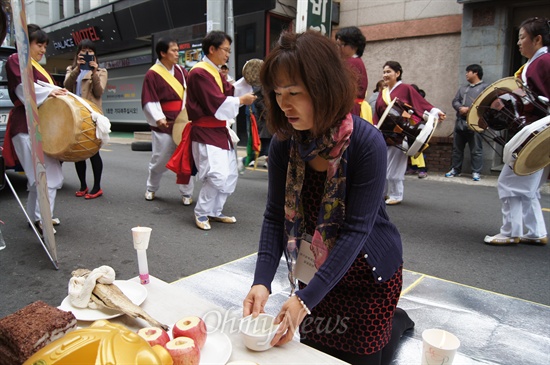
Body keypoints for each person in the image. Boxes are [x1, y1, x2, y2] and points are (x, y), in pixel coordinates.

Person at [242, 30, 414, 365]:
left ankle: (395, 322)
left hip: (366, 277)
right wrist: (262, 281)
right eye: (277, 93)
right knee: (315, 356)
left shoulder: (366, 143)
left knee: (363, 357)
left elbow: (356, 231)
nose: (283, 103)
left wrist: (305, 301)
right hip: (316, 275)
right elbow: (275, 215)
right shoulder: (284, 144)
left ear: (323, 89)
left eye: (294, 92)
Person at [484, 17, 549, 246]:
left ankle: (511, 231)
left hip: (536, 132)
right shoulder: (537, 63)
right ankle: (535, 231)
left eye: (522, 37)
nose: (519, 42)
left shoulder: (544, 62)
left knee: (509, 182)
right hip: (540, 133)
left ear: (537, 39)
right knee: (528, 186)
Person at [184, 30, 256, 230]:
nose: (227, 54)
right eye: (225, 50)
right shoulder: (199, 72)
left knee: (230, 175)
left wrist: (247, 81)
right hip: (206, 131)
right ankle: (201, 212)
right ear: (212, 48)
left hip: (219, 131)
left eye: (229, 51)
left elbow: (228, 91)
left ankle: (214, 211)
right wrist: (241, 100)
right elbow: (215, 102)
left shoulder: (213, 71)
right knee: (217, 175)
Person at [2, 24, 67, 233]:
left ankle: (36, 217)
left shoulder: (37, 67)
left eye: (45, 46)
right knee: (46, 175)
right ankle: (42, 219)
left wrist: (53, 90)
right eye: (39, 44)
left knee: (37, 177)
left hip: (37, 126)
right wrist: (51, 92)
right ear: (25, 43)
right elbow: (25, 90)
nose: (43, 50)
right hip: (26, 126)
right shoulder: (16, 60)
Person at [373, 61, 445, 205]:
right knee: (385, 165)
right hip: (385, 133)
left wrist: (435, 112)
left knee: (395, 166)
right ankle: (386, 193)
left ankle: (396, 194)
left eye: (389, 72)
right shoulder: (383, 92)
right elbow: (378, 112)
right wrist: (375, 126)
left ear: (397, 73)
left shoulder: (405, 88)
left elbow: (420, 103)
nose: (385, 75)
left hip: (401, 132)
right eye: (384, 72)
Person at [141, 37, 194, 205]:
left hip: (182, 123)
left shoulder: (181, 71)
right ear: (163, 53)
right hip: (164, 124)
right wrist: (158, 117)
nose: (177, 54)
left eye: (178, 50)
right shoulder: (153, 73)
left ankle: (187, 192)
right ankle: (151, 187)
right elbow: (149, 99)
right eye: (174, 50)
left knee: (186, 157)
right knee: (160, 158)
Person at [64, 39, 108, 199]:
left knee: (93, 152)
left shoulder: (101, 72)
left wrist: (94, 73)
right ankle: (83, 185)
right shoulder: (71, 69)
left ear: (95, 56)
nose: (87, 55)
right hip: (75, 115)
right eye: (83, 51)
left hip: (92, 116)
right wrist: (77, 69)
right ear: (78, 54)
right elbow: (67, 86)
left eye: (90, 52)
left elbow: (99, 92)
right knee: (78, 151)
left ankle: (97, 187)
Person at [445, 64, 488, 181]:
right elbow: (455, 101)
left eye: (468, 71)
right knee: (457, 148)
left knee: (476, 149)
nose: (466, 74)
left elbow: (486, 104)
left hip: (476, 123)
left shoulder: (485, 87)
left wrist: (469, 109)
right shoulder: (463, 88)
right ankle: (455, 169)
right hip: (460, 122)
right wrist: (460, 108)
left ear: (476, 73)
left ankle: (476, 172)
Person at [335, 26, 370, 120]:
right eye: (337, 45)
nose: (338, 48)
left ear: (354, 46)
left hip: (348, 109)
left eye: (341, 45)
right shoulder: (356, 61)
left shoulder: (351, 63)